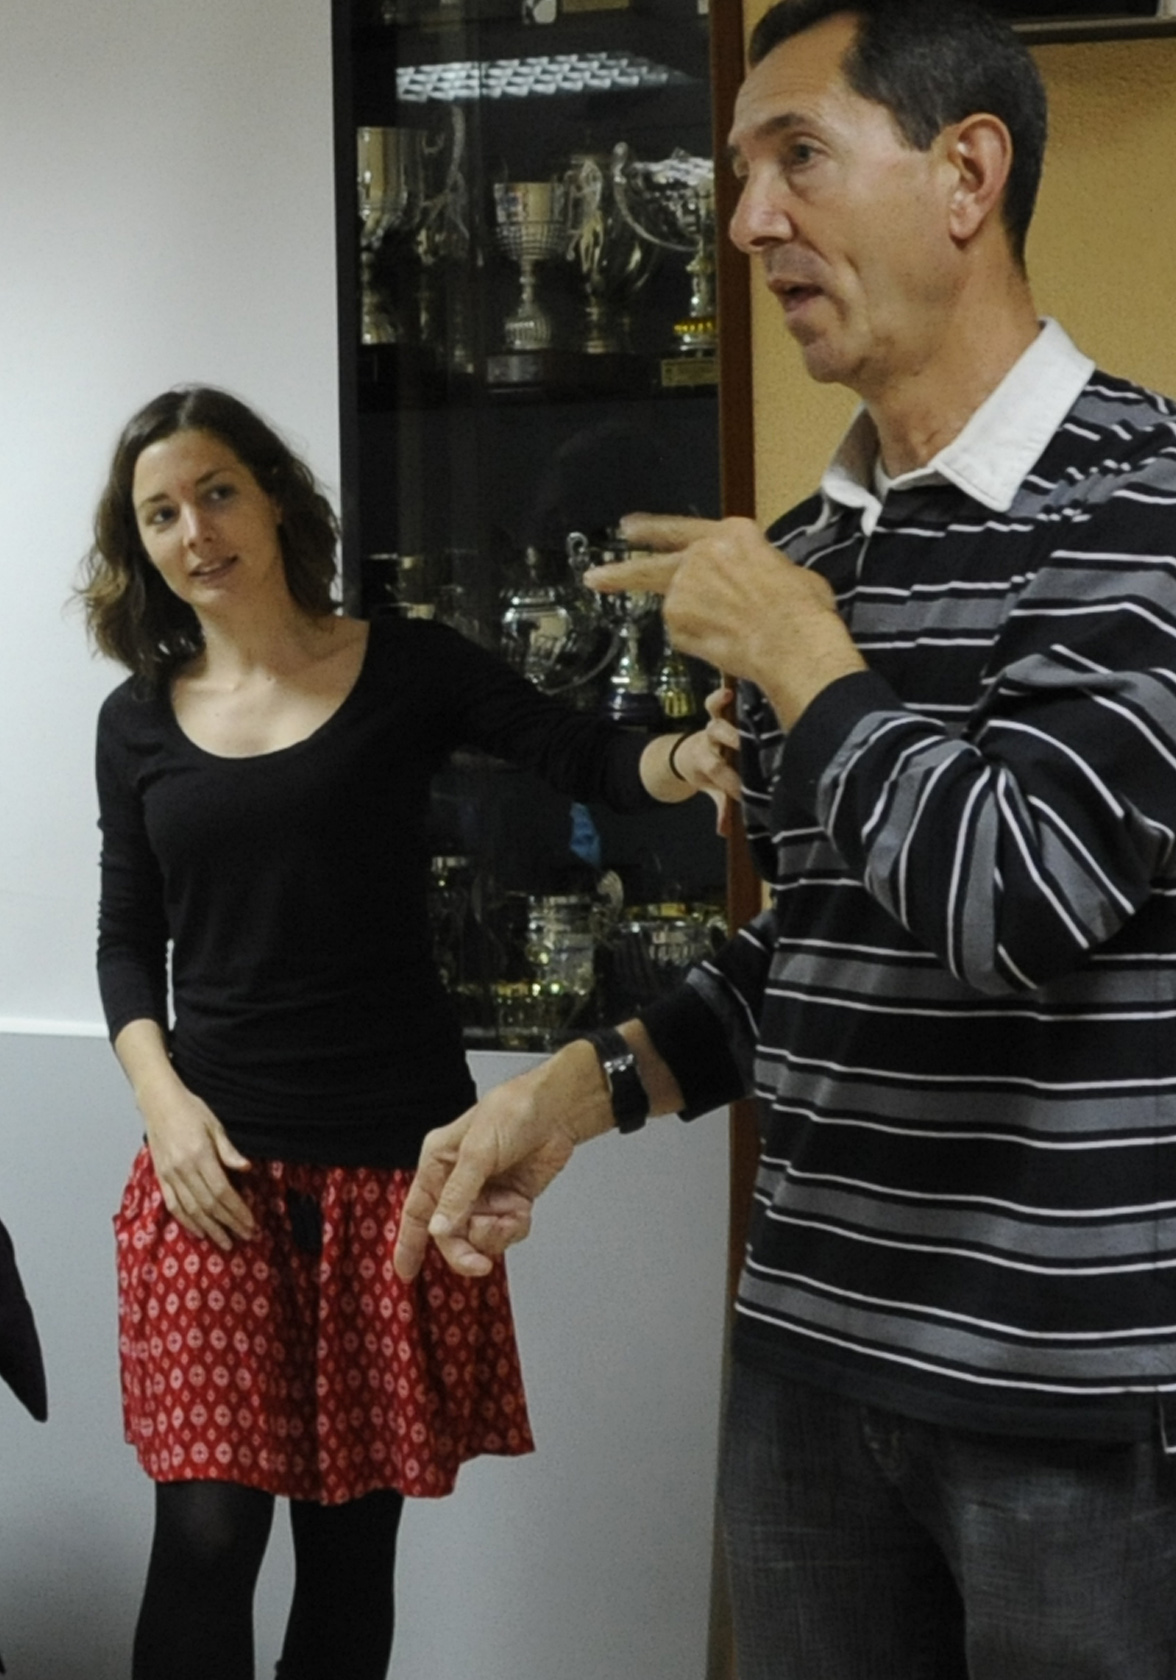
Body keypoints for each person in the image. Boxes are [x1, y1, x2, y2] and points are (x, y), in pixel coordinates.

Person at [396, 0, 1176, 1680]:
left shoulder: (1169, 500)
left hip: (1083, 1396)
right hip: (815, 1366)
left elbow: (1016, 900)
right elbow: (826, 946)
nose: (747, 219)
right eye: (740, 172)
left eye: (796, 156)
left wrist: (807, 657)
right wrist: (574, 1091)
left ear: (966, 175)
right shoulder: (815, 551)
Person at [83, 385, 733, 1680]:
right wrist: (163, 1104)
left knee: (348, 1553)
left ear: (275, 499)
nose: (194, 531)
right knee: (205, 1538)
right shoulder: (136, 720)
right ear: (138, 545)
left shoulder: (406, 665)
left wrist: (687, 760)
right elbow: (124, 938)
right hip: (217, 1175)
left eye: (216, 492)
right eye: (159, 514)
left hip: (397, 1168)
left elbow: (580, 755)